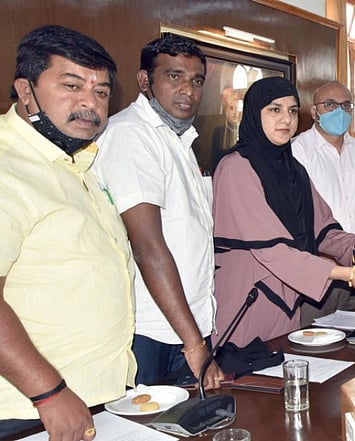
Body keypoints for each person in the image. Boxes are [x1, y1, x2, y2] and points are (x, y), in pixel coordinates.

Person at [0, 25, 134, 440]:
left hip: (94, 397)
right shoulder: (8, 168)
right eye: (72, 86)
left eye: (101, 92)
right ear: (26, 91)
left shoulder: (77, 164)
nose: (89, 104)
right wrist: (49, 393)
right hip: (30, 409)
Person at [212, 77, 355, 347]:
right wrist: (348, 275)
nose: (286, 119)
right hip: (248, 300)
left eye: (292, 110)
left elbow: (323, 229)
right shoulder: (235, 168)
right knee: (249, 384)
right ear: (253, 113)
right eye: (274, 110)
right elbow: (271, 249)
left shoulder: (292, 169)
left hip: (288, 302)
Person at [94, 34, 223, 390]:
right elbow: (148, 247)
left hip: (185, 326)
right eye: (174, 76)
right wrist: (194, 344)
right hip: (152, 331)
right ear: (144, 81)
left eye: (197, 80)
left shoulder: (179, 139)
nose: (188, 90)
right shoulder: (132, 135)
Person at [291, 81, 355, 322]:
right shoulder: (297, 151)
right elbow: (296, 216)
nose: (338, 111)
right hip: (318, 267)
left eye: (345, 105)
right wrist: (331, 260)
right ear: (314, 111)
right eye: (329, 105)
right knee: (311, 342)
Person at [210, 86, 243, 173]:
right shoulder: (219, 132)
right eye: (231, 108)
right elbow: (215, 162)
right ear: (226, 110)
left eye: (238, 108)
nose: (235, 112)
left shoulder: (249, 131)